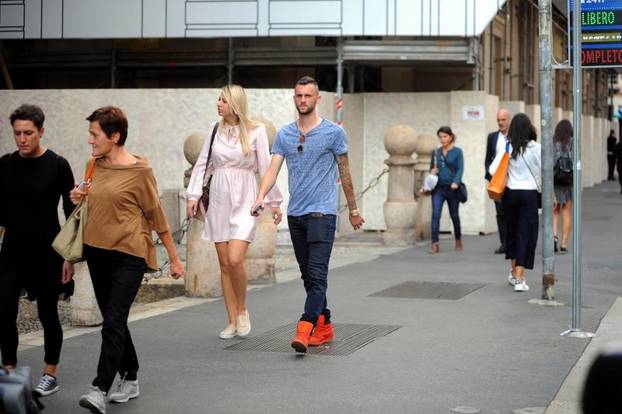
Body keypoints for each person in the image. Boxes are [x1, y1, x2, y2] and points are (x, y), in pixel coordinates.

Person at [70, 106, 184, 414]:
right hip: (96, 251)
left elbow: (156, 216)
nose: (90, 141)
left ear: (115, 136)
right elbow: (90, 206)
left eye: (95, 135)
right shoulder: (93, 165)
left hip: (130, 254)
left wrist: (174, 259)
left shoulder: (139, 171)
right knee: (113, 319)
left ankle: (99, 388)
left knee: (114, 320)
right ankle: (131, 376)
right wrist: (79, 196)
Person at [251, 75, 365, 354]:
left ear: (317, 99)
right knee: (308, 276)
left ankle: (305, 327)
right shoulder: (285, 134)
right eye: (299, 96)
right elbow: (273, 169)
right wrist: (260, 196)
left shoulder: (333, 133)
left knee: (316, 274)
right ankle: (324, 324)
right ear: (295, 99)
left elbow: (345, 171)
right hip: (296, 215)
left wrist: (352, 208)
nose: (303, 100)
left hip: (322, 214)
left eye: (308, 96)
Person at [186, 84, 283, 339]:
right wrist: (194, 196)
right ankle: (231, 320)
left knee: (234, 259)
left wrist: (273, 202)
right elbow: (202, 164)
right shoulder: (214, 129)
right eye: (218, 99)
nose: (218, 104)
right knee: (224, 265)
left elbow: (265, 167)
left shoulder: (256, 131)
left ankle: (242, 310)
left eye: (222, 100)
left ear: (234, 104)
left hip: (245, 198)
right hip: (219, 199)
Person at [0, 104, 75, 397]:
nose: (22, 139)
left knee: (48, 314)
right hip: (12, 251)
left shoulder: (57, 165)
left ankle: (50, 372)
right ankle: (9, 371)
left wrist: (70, 257)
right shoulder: (4, 165)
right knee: (4, 310)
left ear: (41, 131)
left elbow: (71, 213)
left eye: (28, 133)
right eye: (17, 133)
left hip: (47, 251)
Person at [489, 113, 541, 292]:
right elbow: (546, 170)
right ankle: (519, 278)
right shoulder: (536, 148)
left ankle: (514, 273)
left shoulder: (508, 147)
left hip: (510, 194)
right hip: (529, 196)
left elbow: (492, 169)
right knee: (526, 234)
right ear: (529, 128)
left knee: (512, 232)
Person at [429, 126, 464, 254]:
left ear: (450, 137)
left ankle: (458, 239)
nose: (442, 139)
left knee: (454, 215)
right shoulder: (436, 153)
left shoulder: (458, 152)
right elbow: (431, 169)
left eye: (445, 136)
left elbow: (460, 168)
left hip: (452, 189)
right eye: (440, 137)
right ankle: (435, 244)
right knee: (436, 215)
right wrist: (432, 171)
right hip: (438, 188)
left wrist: (456, 181)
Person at [485, 109, 511, 254]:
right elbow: (488, 158)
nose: (500, 123)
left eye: (503, 120)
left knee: (511, 213)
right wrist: (490, 177)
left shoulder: (514, 136)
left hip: (512, 181)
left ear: (509, 120)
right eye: (498, 120)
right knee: (500, 213)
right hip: (497, 182)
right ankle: (504, 243)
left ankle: (513, 241)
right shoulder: (492, 137)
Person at [552, 120, 573, 254]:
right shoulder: (572, 143)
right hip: (569, 182)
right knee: (566, 212)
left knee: (555, 211)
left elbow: (551, 162)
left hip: (555, 181)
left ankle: (554, 237)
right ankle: (564, 244)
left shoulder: (554, 143)